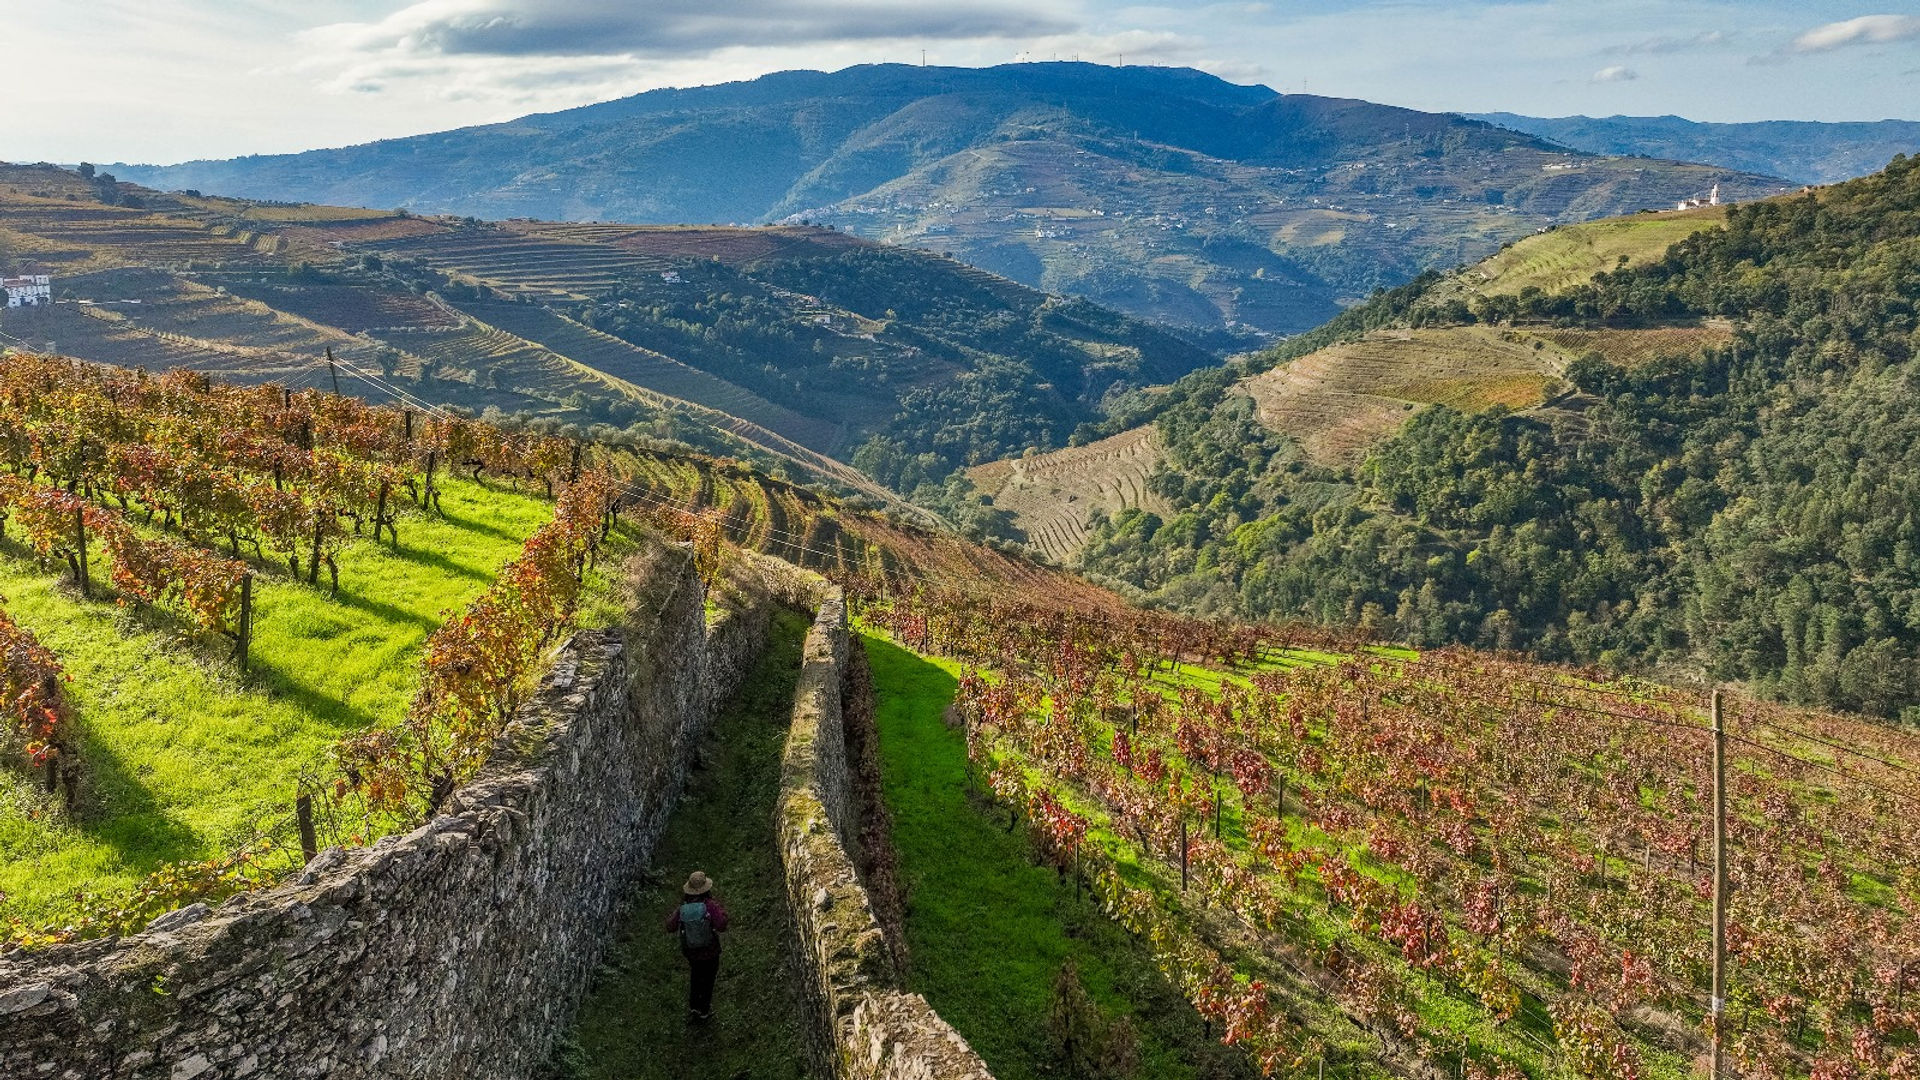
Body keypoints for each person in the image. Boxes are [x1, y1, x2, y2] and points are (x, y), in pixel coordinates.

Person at [664, 870, 730, 1020]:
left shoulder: (683, 908)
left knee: (696, 975)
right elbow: (721, 925)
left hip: (691, 952)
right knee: (708, 979)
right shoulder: (709, 905)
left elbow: (670, 926)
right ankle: (704, 1010)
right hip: (710, 951)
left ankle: (694, 1006)